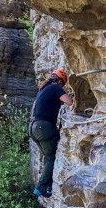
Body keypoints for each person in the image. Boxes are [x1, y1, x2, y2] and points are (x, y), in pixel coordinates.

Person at [29, 68, 73, 198]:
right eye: (63, 84)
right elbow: (69, 102)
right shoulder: (55, 87)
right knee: (50, 157)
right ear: (61, 81)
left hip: (33, 127)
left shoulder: (44, 89)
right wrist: (69, 96)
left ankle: (48, 185)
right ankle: (41, 187)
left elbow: (53, 102)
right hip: (43, 127)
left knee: (47, 156)